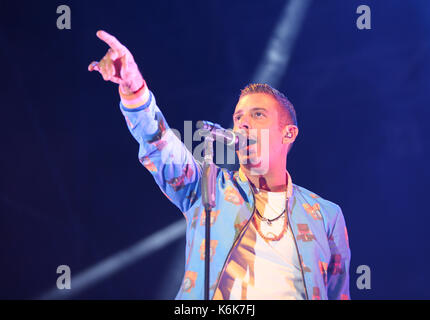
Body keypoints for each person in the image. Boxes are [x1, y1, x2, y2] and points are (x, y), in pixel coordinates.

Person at [89, 30, 351, 300]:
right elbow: (160, 146)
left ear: (288, 134)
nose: (243, 123)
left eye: (257, 114)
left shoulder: (325, 216)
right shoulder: (208, 187)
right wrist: (134, 90)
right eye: (238, 117)